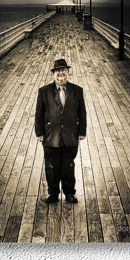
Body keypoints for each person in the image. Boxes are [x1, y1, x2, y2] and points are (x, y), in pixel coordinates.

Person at [35, 58, 87, 204]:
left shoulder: (77, 90)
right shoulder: (44, 91)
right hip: (51, 136)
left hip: (70, 136)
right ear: (53, 74)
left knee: (68, 167)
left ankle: (70, 193)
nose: (60, 76)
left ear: (68, 73)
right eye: (58, 73)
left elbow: (82, 112)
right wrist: (39, 133)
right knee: (51, 168)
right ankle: (53, 194)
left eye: (63, 73)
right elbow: (39, 114)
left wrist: (82, 131)